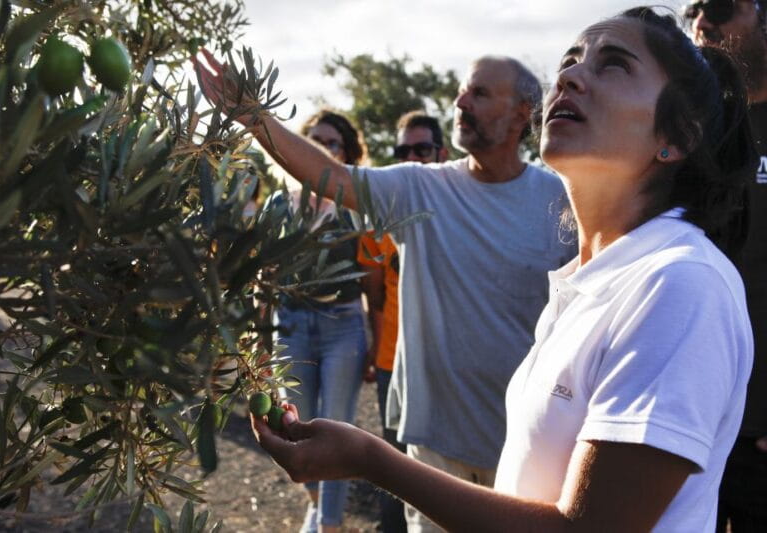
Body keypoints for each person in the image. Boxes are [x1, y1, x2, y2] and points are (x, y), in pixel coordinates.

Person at [251, 6, 757, 532]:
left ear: (677, 136)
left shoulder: (680, 285)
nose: (569, 77)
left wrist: (371, 459)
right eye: (569, 61)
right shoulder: (590, 284)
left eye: (613, 65)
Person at [194, 50, 576, 530]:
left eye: (479, 93)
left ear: (524, 112)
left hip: (525, 448)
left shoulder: (560, 202)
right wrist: (254, 117)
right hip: (434, 450)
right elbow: (331, 177)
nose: (461, 101)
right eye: (463, 89)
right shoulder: (422, 188)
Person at [686, 1, 767, 530]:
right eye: (691, 9)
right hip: (684, 424)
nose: (700, 20)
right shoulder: (685, 132)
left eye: (717, 5)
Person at [269, 109, 370, 533]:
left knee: (337, 429)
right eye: (313, 140)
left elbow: (375, 279)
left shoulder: (355, 208)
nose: (321, 149)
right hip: (290, 324)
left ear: (345, 154)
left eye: (331, 143)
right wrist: (259, 342)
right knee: (297, 426)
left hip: (342, 326)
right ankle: (316, 502)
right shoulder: (279, 205)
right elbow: (264, 276)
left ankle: (327, 524)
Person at [358, 111, 448, 533]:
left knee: (446, 471)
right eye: (403, 150)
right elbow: (373, 292)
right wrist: (377, 353)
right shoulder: (382, 215)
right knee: (394, 466)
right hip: (394, 358)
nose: (412, 157)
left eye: (422, 149)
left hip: (449, 362)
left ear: (442, 153)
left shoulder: (460, 207)